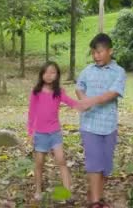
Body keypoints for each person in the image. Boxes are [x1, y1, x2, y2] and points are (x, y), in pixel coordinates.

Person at [76, 33, 127, 208]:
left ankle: (94, 194)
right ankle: (96, 203)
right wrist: (83, 97)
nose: (96, 56)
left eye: (99, 52)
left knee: (105, 166)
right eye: (93, 53)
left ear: (110, 51)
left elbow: (112, 93)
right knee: (94, 163)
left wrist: (91, 100)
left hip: (109, 125)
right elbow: (79, 86)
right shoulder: (87, 71)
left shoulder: (119, 72)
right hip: (89, 124)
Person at [27, 61, 85, 202]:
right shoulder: (36, 92)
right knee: (39, 163)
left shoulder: (59, 92)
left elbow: (71, 102)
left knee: (61, 161)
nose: (49, 75)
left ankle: (67, 192)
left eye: (52, 72)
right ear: (41, 75)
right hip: (40, 134)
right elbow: (32, 113)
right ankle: (38, 190)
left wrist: (84, 105)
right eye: (46, 72)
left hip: (55, 133)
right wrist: (30, 132)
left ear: (57, 75)